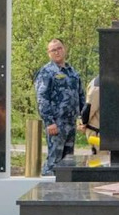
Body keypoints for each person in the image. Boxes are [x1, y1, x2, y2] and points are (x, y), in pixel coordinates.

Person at [35, 39, 84, 175]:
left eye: (59, 48)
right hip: (56, 124)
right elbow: (42, 99)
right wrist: (49, 122)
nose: (57, 52)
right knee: (54, 161)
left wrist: (82, 118)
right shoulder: (46, 72)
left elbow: (80, 95)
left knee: (68, 161)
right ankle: (47, 191)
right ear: (48, 53)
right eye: (53, 50)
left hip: (71, 123)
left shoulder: (72, 72)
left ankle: (65, 192)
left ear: (65, 49)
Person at [79, 76, 100, 153]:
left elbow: (88, 109)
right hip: (98, 133)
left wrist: (82, 123)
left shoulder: (97, 84)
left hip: (98, 132)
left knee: (99, 161)